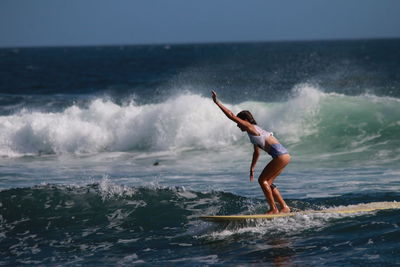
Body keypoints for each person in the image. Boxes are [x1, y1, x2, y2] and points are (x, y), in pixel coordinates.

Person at [211, 90, 291, 214]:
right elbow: (256, 152)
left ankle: (273, 209)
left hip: (280, 156)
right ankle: (284, 207)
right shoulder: (254, 132)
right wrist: (252, 168)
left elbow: (231, 115)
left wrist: (217, 102)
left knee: (262, 181)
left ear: (244, 121)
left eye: (239, 122)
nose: (238, 125)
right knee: (268, 182)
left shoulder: (251, 127)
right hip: (284, 155)